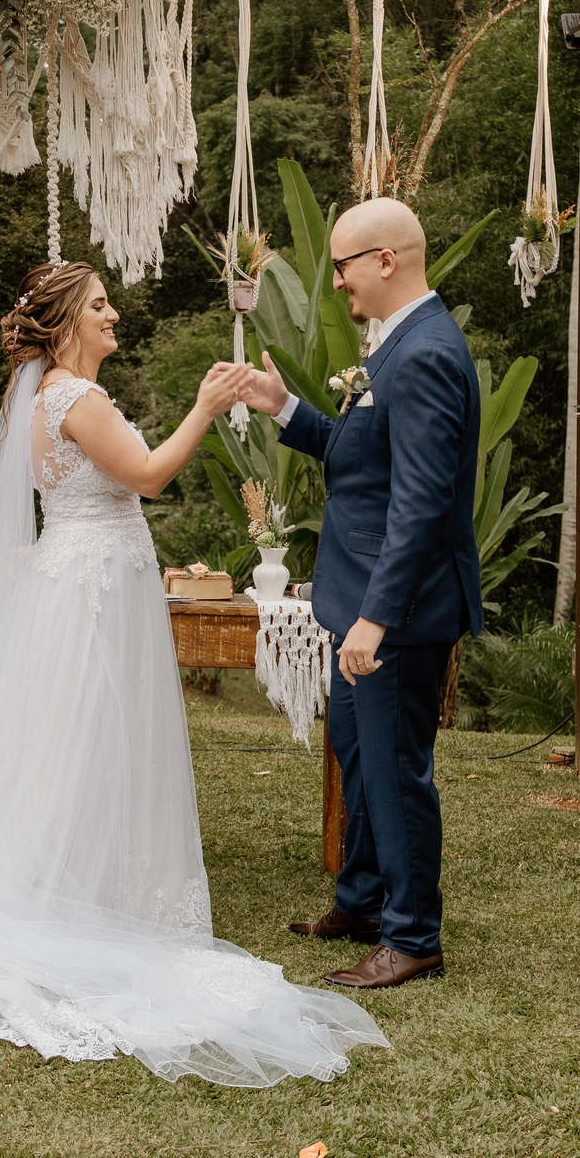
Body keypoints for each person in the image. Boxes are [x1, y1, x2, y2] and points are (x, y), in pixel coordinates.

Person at [0, 260, 386, 1087]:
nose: (115, 315)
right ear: (70, 323)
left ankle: (62, 882)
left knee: (65, 744)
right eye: (101, 306)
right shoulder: (80, 400)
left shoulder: (34, 400)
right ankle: (72, 904)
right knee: (90, 742)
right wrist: (206, 406)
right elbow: (147, 478)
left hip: (76, 575)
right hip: (97, 584)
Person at [241, 197, 482, 990]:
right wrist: (287, 410)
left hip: (398, 614)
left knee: (394, 768)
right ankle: (364, 901)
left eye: (343, 264)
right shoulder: (392, 346)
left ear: (386, 260)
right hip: (360, 601)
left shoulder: (424, 355)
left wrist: (376, 619)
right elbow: (362, 455)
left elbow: (418, 501)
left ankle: (413, 937)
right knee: (356, 755)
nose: (335, 281)